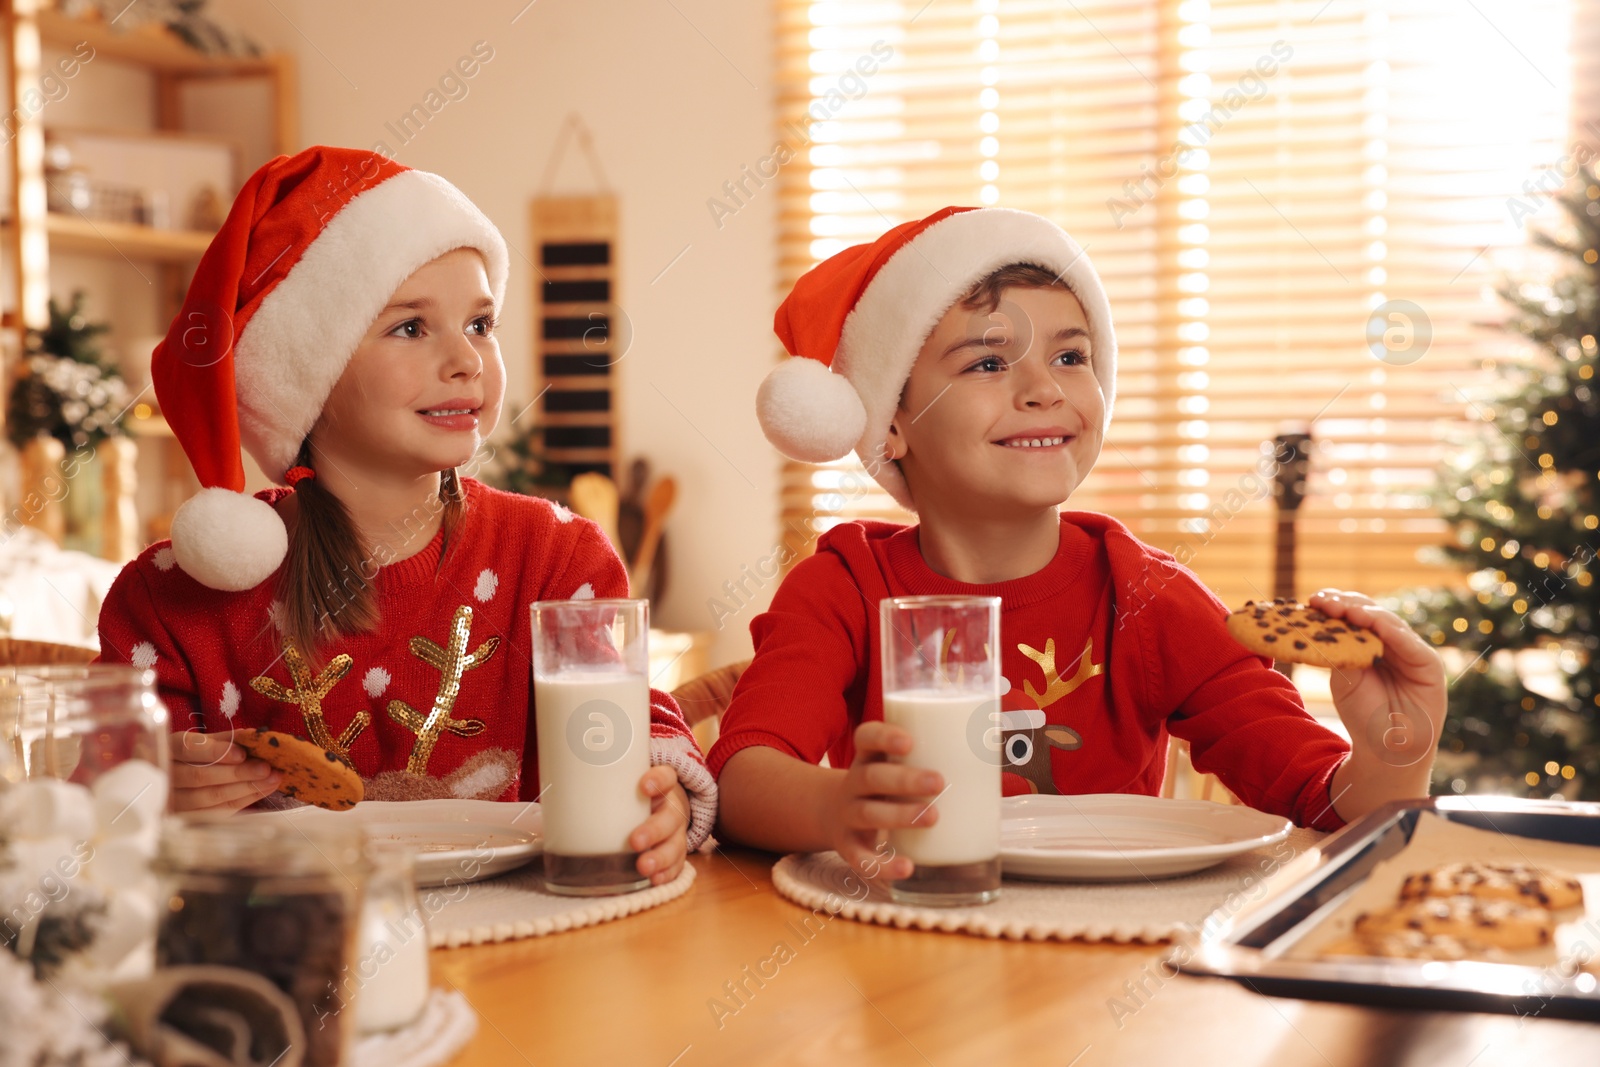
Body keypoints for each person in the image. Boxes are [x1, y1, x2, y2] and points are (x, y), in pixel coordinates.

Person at [710, 206, 1445, 879]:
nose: (1045, 390)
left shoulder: (1148, 595)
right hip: (905, 942)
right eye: (989, 362)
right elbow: (742, 781)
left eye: (1071, 357)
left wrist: (1392, 751)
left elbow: (1326, 800)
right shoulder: (845, 585)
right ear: (889, 422)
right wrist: (838, 804)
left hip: (1109, 966)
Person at [97, 146, 714, 884]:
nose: (467, 360)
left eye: (481, 323)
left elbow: (632, 726)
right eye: (411, 328)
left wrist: (663, 785)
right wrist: (148, 790)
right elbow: (92, 810)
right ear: (308, 378)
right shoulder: (169, 600)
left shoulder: (555, 558)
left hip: (528, 955)